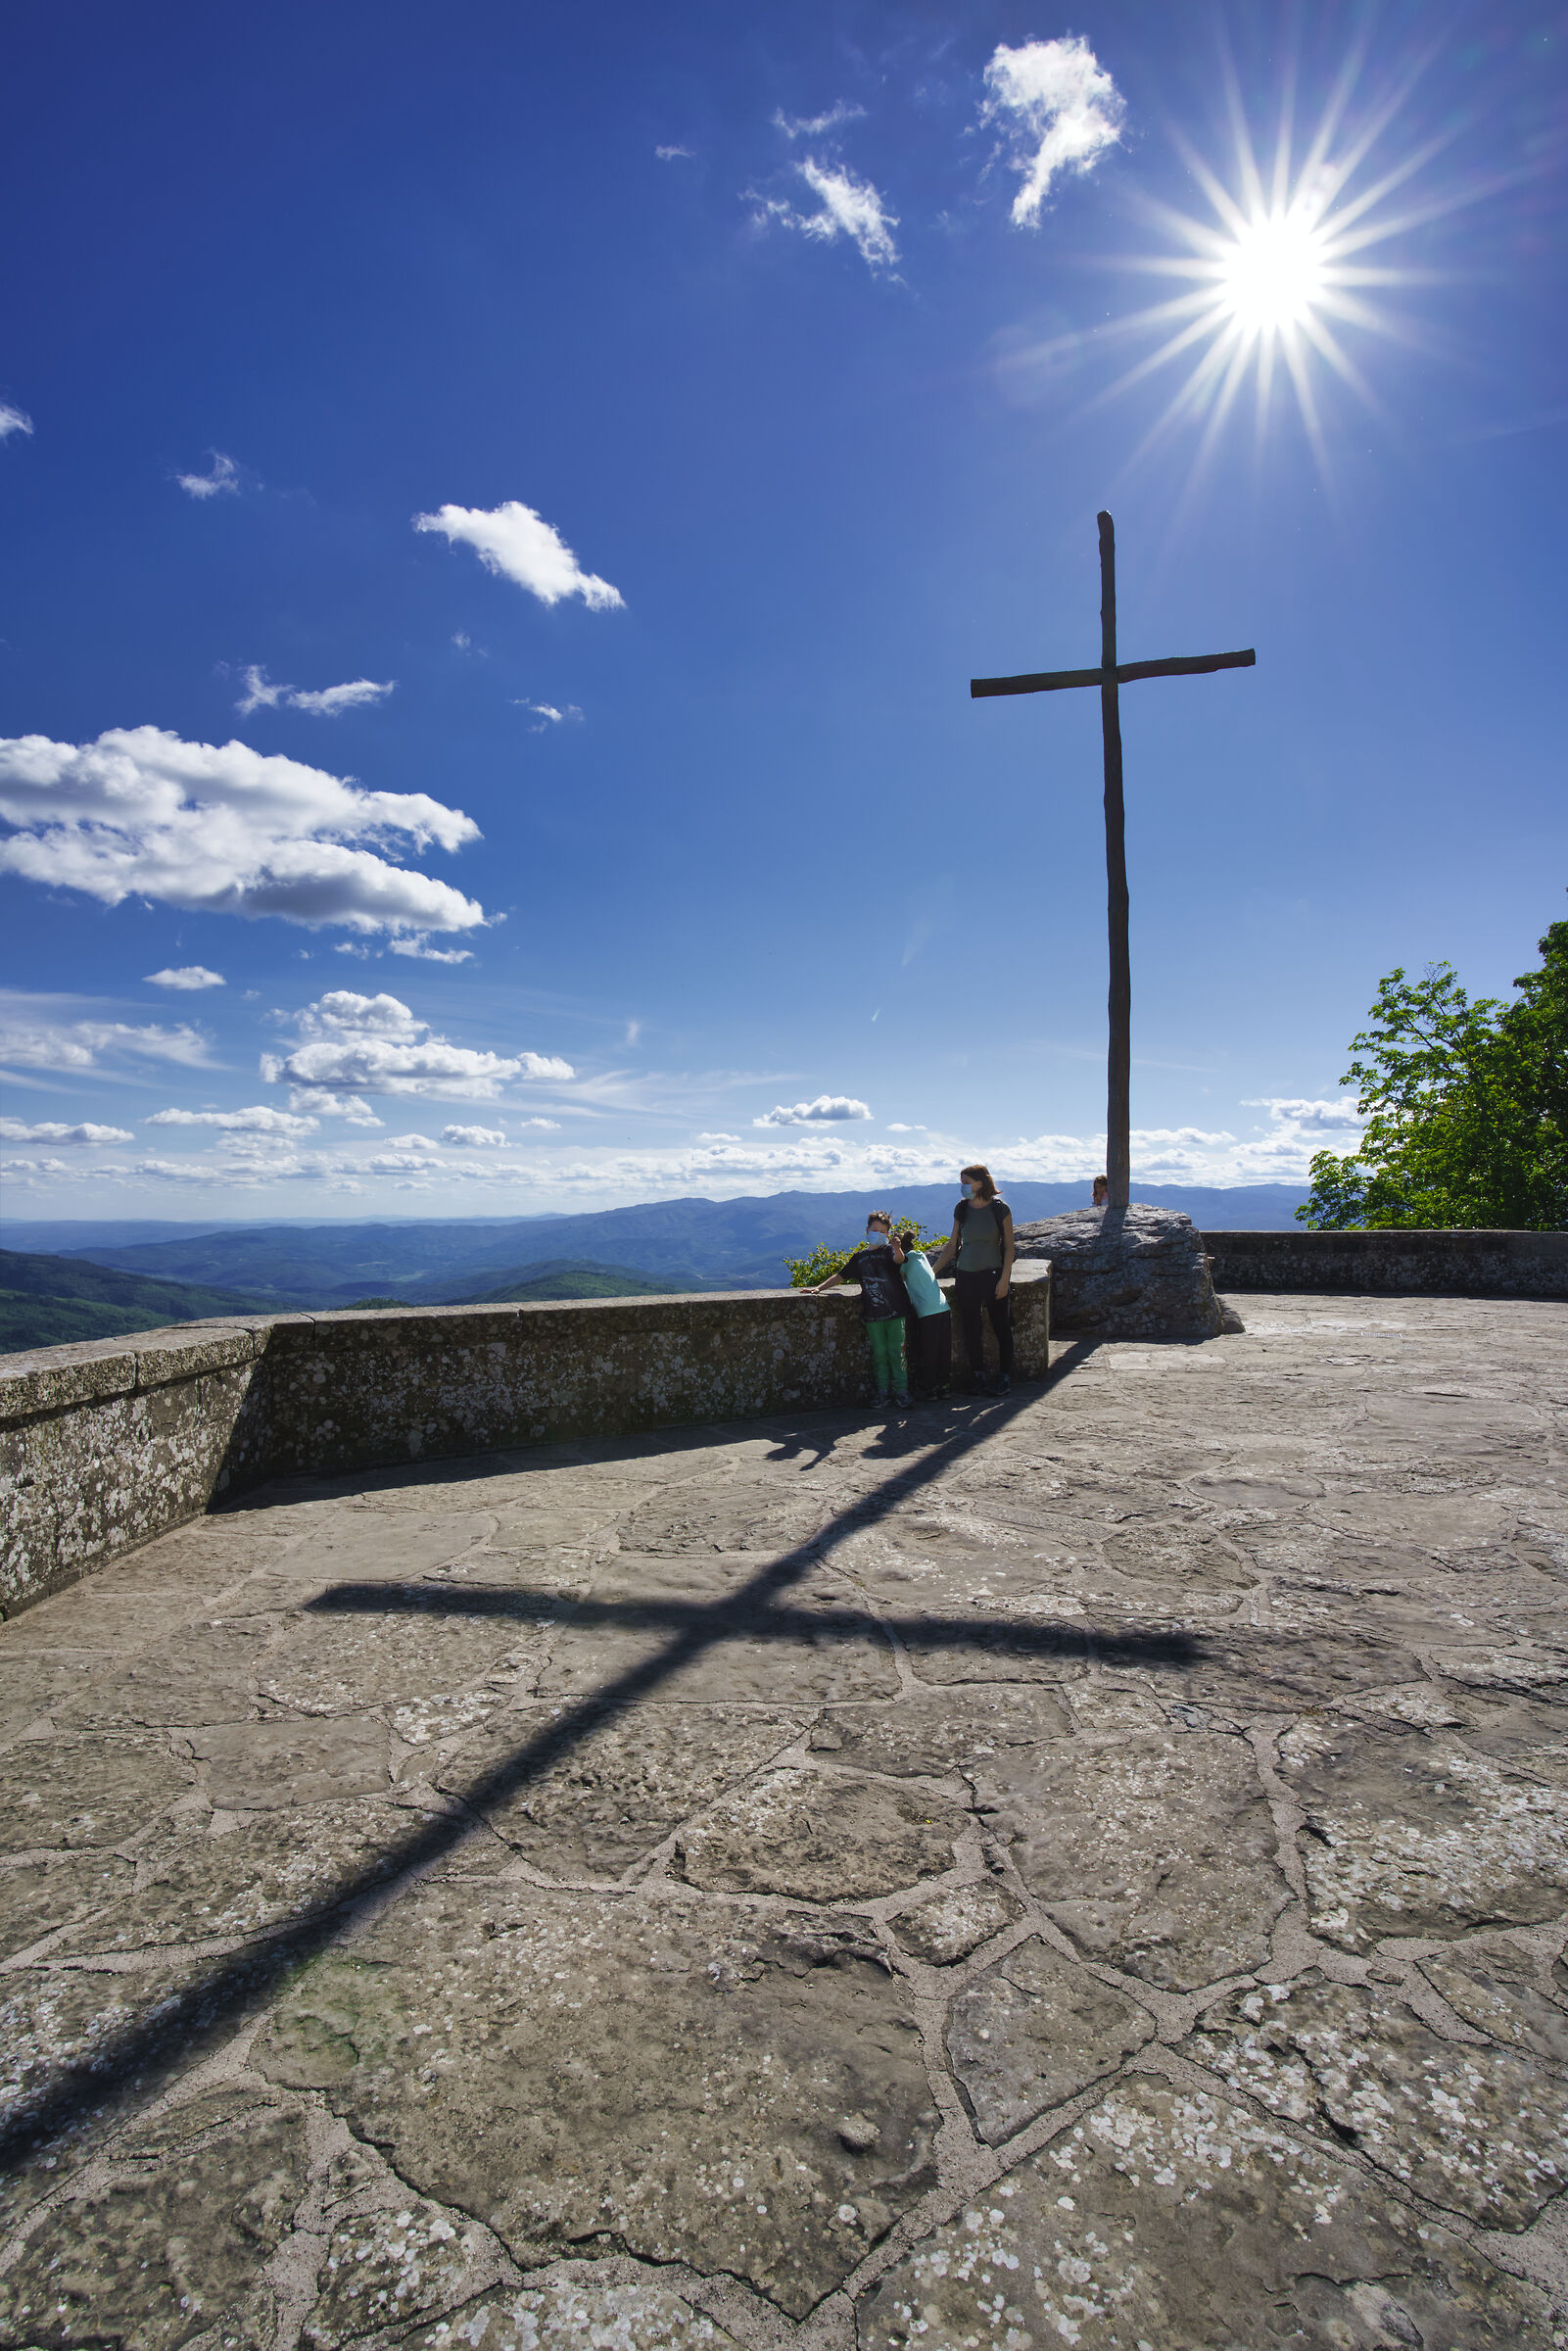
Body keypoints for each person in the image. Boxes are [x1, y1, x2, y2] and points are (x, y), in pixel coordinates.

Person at [807, 1211, 913, 1409]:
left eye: (883, 1231)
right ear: (867, 1230)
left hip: (896, 1311)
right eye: (875, 1230)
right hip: (873, 1314)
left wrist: (898, 1248)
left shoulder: (889, 1251)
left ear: (888, 1234)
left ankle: (901, 1391)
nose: (878, 1234)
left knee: (896, 1352)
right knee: (880, 1353)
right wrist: (819, 1288)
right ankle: (883, 1392)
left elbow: (899, 1260)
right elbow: (841, 1276)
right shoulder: (860, 1258)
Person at [932, 1163, 1015, 1396]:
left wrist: (1004, 1279)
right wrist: (933, 1272)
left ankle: (1005, 1376)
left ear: (981, 1182)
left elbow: (1009, 1247)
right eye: (962, 1183)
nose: (963, 1188)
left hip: (992, 1275)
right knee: (971, 1328)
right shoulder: (962, 1209)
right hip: (965, 1276)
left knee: (1002, 1327)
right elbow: (952, 1245)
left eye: (966, 1183)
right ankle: (978, 1375)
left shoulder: (1000, 1209)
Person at [896, 1224, 952, 1399]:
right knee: (943, 1350)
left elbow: (897, 1281)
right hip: (943, 1306)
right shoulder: (921, 1256)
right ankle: (944, 1386)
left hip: (927, 1312)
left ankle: (930, 1389)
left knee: (929, 1351)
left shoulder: (904, 1263)